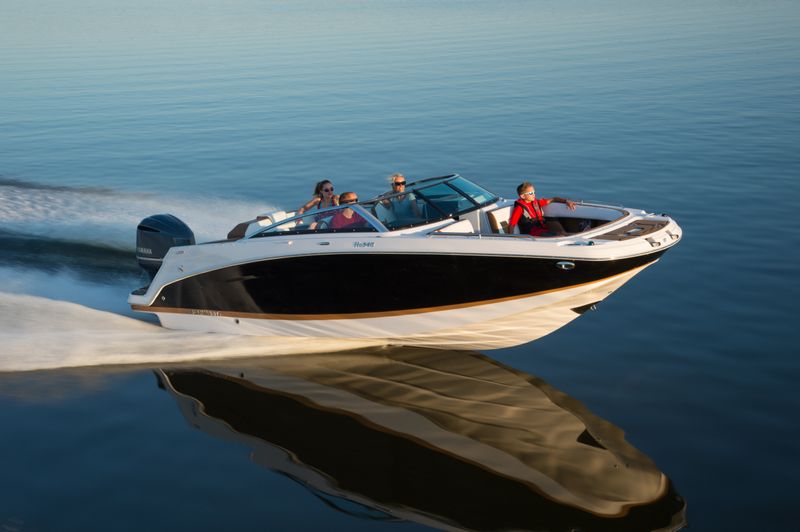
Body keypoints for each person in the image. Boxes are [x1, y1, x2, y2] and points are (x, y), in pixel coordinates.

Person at [507, 182, 576, 236]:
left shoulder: (536, 202)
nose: (534, 194)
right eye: (530, 193)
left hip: (542, 227)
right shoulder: (519, 208)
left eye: (534, 192)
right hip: (533, 234)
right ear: (523, 196)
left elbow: (553, 199)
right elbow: (512, 225)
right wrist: (511, 238)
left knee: (558, 228)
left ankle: (572, 235)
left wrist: (566, 201)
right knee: (560, 235)